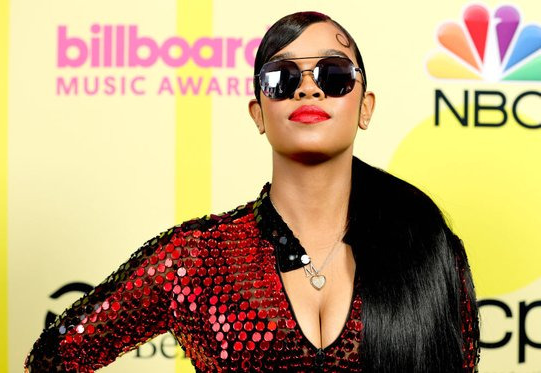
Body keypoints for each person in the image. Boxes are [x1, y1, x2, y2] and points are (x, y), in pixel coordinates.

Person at [24, 11, 480, 373]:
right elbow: (54, 358)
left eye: (334, 74)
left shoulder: (429, 250)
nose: (308, 87)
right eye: (282, 78)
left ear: (365, 106)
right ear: (258, 113)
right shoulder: (196, 258)